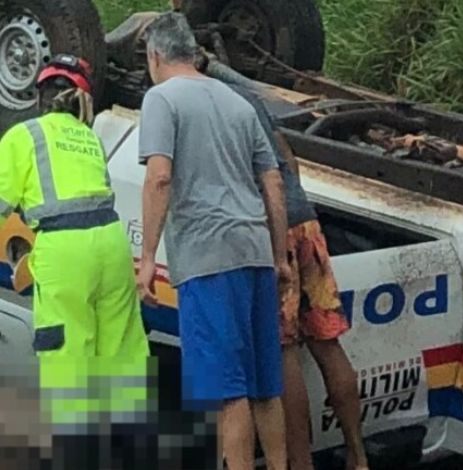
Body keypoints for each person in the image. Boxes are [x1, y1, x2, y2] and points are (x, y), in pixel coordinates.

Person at [135, 12, 290, 470]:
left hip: (207, 259)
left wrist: (147, 256)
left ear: (155, 55)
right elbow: (274, 182)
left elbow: (159, 178)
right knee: (265, 386)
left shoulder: (162, 98)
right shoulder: (238, 102)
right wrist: (279, 256)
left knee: (227, 390)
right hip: (255, 253)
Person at [0, 54, 152, 469]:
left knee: (67, 355)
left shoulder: (24, 134)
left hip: (65, 252)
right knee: (120, 352)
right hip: (110, 243)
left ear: (40, 95)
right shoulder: (89, 140)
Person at [225, 83, 370, 470]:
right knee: (327, 340)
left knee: (283, 350)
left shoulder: (206, 99)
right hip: (306, 220)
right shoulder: (248, 95)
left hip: (274, 226)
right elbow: (287, 157)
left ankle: (301, 464)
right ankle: (358, 456)